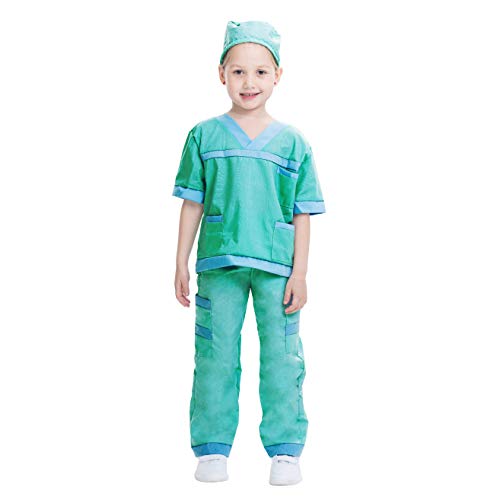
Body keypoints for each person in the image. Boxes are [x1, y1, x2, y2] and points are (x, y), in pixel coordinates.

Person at [172, 20, 326, 486]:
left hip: (277, 268)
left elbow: (302, 212)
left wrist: (300, 273)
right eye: (238, 71)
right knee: (215, 356)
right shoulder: (203, 136)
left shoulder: (293, 143)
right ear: (221, 73)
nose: (249, 82)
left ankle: (285, 451)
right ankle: (212, 448)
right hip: (219, 264)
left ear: (278, 75)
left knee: (282, 358)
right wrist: (180, 262)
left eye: (260, 72)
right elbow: (193, 202)